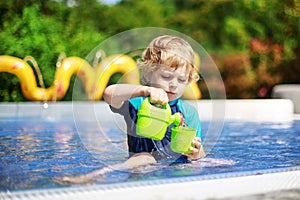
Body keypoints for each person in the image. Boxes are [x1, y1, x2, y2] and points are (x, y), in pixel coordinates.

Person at [103, 35, 206, 164]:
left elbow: (199, 154)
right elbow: (108, 94)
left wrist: (197, 152)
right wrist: (143, 90)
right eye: (166, 76)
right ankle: (97, 176)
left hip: (179, 170)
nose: (174, 84)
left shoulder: (189, 112)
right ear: (148, 73)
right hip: (143, 168)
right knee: (146, 157)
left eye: (181, 79)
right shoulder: (138, 103)